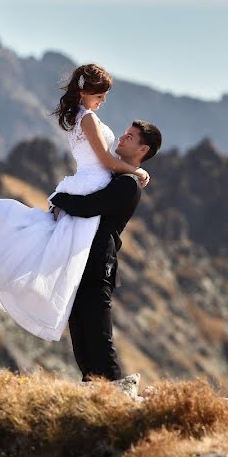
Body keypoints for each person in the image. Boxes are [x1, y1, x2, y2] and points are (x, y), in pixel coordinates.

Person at [0, 63, 150, 342]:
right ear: (87, 91)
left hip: (88, 181)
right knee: (76, 255)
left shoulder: (80, 117)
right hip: (92, 183)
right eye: (101, 94)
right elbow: (106, 160)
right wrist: (137, 170)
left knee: (69, 250)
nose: (104, 100)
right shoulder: (88, 119)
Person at [51, 119, 162, 381]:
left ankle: (117, 397)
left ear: (142, 150)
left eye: (130, 137)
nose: (121, 139)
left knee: (98, 336)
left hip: (99, 264)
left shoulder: (128, 184)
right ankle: (93, 391)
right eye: (124, 134)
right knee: (80, 330)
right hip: (84, 261)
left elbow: (89, 206)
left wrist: (59, 198)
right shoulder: (115, 177)